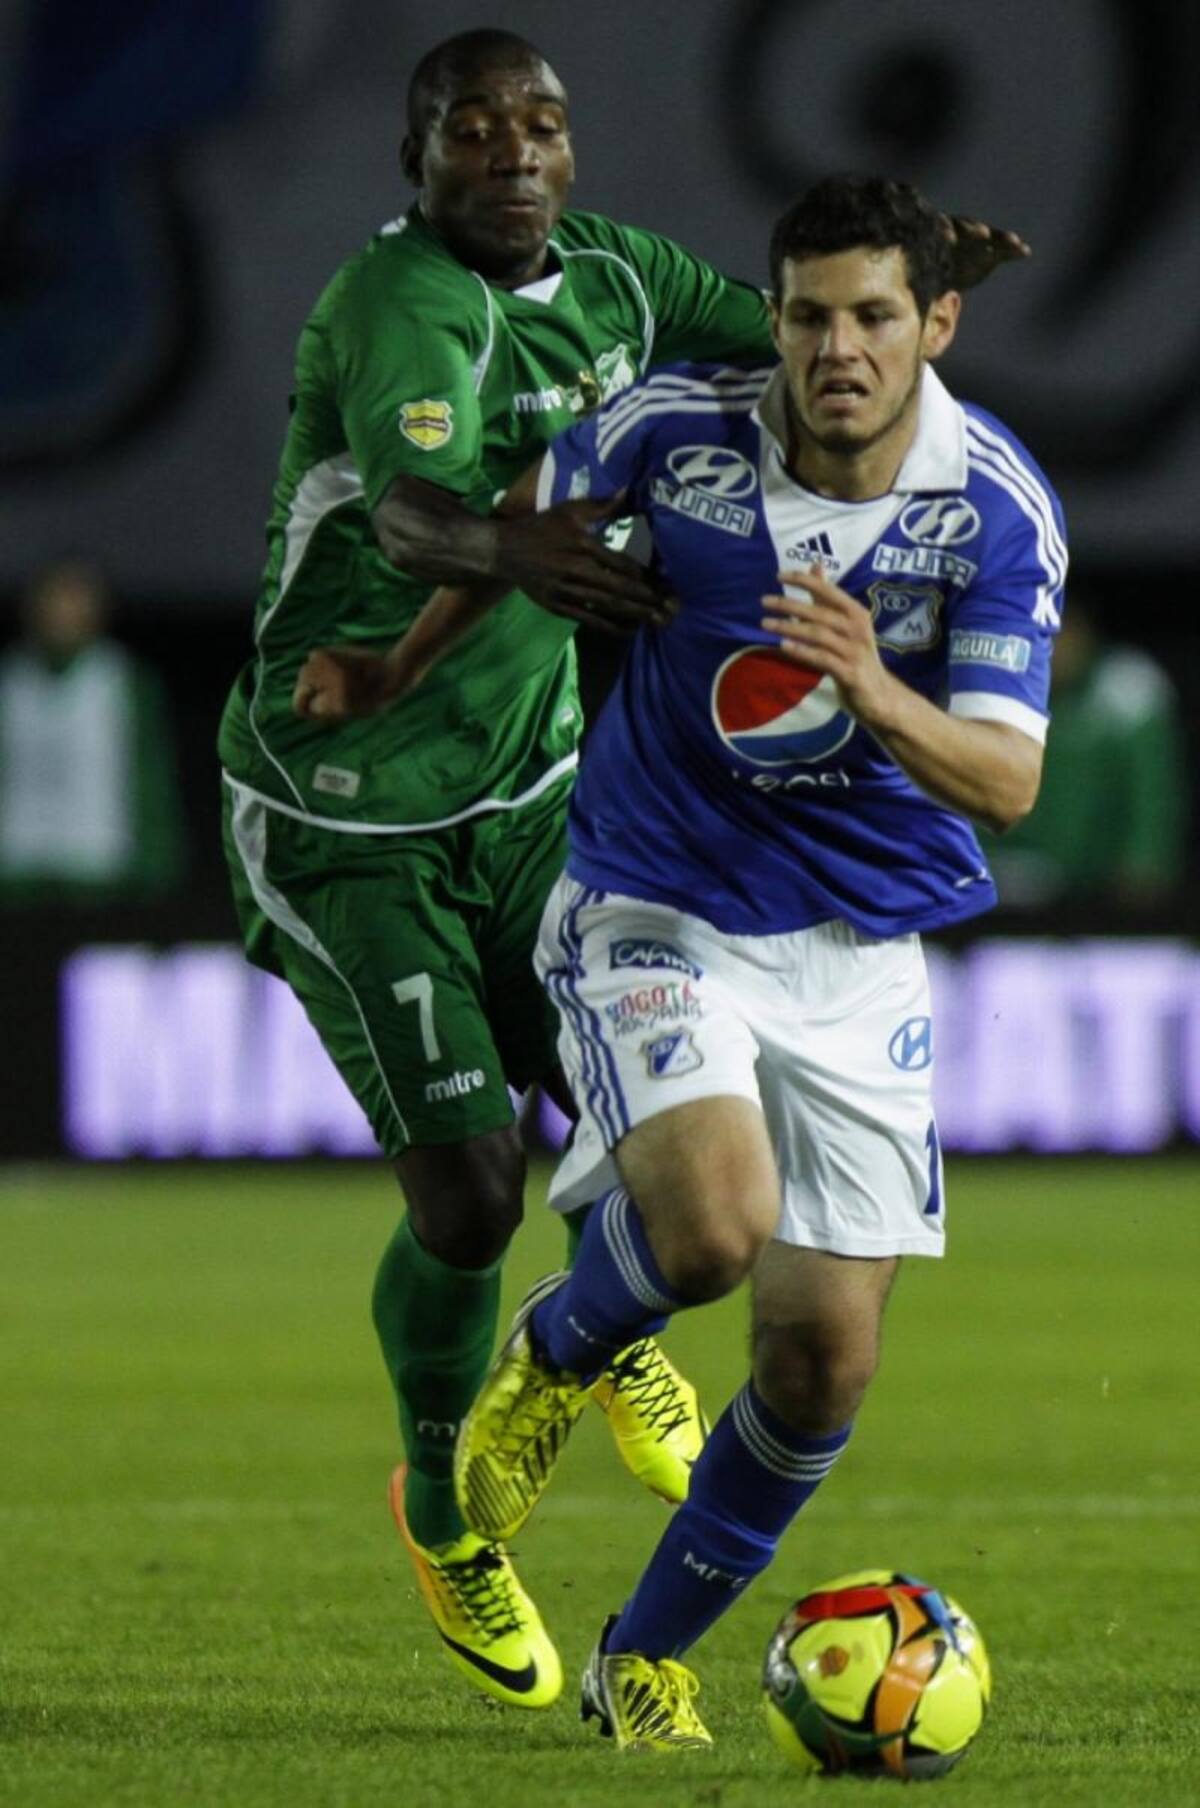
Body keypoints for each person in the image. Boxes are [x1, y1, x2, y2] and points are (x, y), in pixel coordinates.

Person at [218, 25, 1028, 1713]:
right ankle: (452, 1495)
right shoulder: (400, 313)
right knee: (472, 1190)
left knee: (738, 1262)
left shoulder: (641, 289)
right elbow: (424, 514)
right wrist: (493, 573)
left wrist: (916, 263)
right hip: (351, 798)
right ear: (415, 156)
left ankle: (612, 1404)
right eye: (472, 129)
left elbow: (815, 336)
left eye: (541, 124)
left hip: (535, 789)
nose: (514, 154)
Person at [433, 174, 1064, 1750]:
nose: (835, 348)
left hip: (859, 954)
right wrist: (488, 588)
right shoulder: (673, 429)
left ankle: (641, 1660)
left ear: (937, 324)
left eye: (871, 315)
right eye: (806, 315)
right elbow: (507, 523)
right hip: (659, 902)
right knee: (711, 1232)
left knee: (818, 1363)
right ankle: (563, 1346)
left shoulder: (991, 506)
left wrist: (874, 685)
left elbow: (1005, 779)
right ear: (771, 317)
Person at [984, 595, 1187, 914]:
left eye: (1061, 634)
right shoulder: (990, 690)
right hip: (1012, 885)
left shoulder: (1129, 691)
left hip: (1104, 892)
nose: (1054, 650)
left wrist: (1145, 866)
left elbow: (1152, 796)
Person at [0, 557, 185, 906]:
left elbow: (150, 775)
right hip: (16, 872)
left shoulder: (124, 681)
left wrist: (157, 864)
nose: (62, 613)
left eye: (75, 600)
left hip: (99, 870)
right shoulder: (9, 680)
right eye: (53, 600)